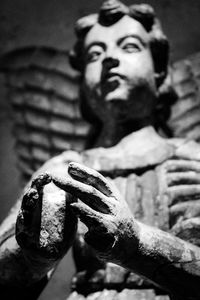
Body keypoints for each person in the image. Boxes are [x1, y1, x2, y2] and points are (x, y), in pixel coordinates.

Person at [1, 1, 200, 299]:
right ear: (82, 82)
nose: (109, 59)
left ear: (160, 71)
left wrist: (136, 244)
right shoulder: (62, 169)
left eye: (129, 47)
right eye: (94, 54)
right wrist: (31, 256)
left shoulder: (190, 157)